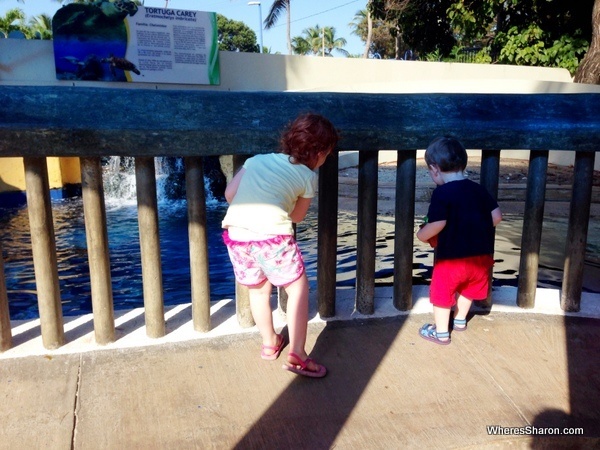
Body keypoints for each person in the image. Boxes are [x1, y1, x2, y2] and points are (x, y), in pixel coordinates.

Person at [222, 112, 339, 377]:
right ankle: (297, 352)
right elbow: (297, 216)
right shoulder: (308, 178)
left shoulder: (256, 160)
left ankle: (270, 343)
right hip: (272, 237)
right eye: (326, 155)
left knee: (258, 291)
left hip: (237, 236)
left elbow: (230, 194)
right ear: (319, 153)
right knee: (297, 288)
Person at [416, 136, 502, 345]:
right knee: (468, 288)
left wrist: (421, 234)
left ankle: (441, 332)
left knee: (442, 293)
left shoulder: (442, 193)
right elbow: (497, 216)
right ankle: (461, 320)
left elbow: (437, 223)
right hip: (480, 259)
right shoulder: (478, 189)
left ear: (435, 169)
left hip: (451, 261)